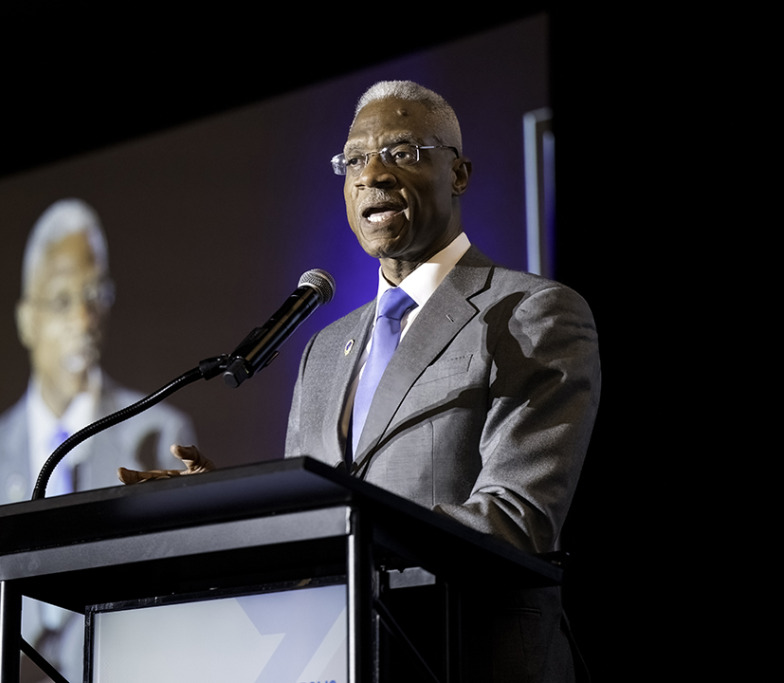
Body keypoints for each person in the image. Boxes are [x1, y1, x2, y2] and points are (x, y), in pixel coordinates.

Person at [122, 81, 600, 682]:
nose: (371, 174)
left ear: (458, 174)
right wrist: (226, 510)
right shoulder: (324, 349)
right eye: (353, 161)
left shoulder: (533, 312)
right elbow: (303, 541)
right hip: (345, 662)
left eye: (401, 152)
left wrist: (345, 532)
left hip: (467, 660)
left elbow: (516, 519)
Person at [0, 198, 196, 683]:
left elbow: (183, 618)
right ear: (26, 320)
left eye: (95, 295)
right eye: (61, 301)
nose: (84, 319)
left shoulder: (157, 435)